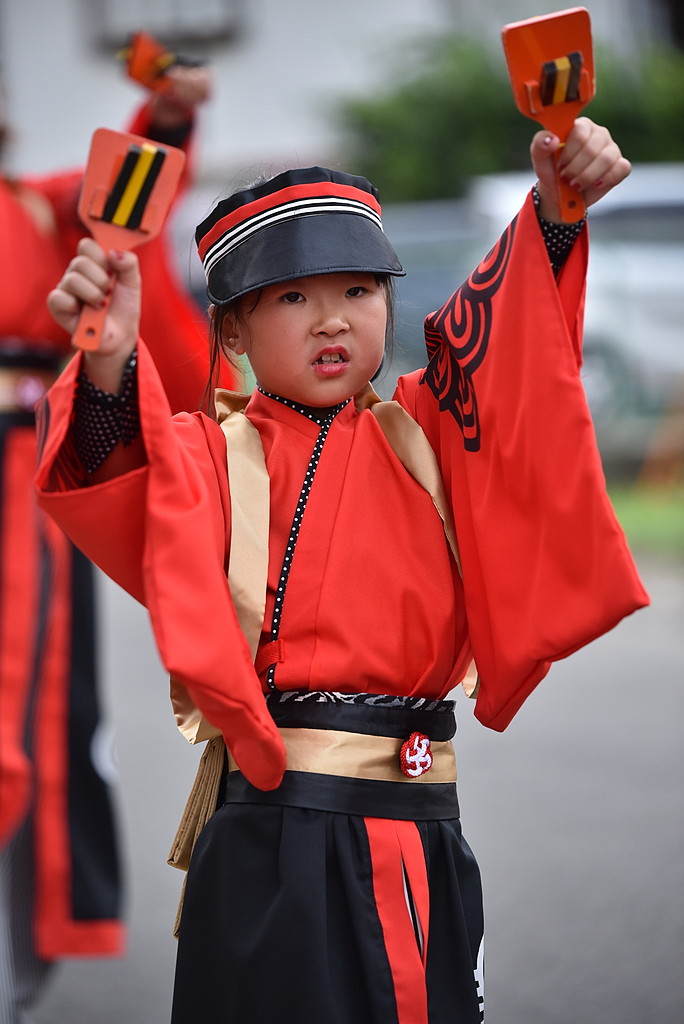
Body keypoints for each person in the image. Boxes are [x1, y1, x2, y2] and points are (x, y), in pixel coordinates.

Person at [35, 115, 649, 1023]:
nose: (333, 319)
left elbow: (513, 352)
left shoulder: (430, 432)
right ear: (233, 329)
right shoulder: (208, 454)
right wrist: (109, 361)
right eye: (292, 297)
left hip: (425, 826)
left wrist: (556, 215)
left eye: (359, 289)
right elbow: (117, 475)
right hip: (275, 830)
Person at [0, 57, 233, 1024]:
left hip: (19, 490)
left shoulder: (37, 206)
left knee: (25, 713)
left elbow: (125, 192)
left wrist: (166, 114)